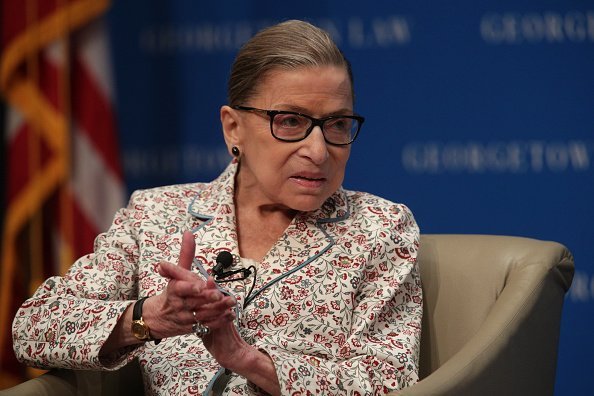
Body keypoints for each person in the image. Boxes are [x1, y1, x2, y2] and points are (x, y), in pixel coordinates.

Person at [12, 19, 422, 395]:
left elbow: (389, 379)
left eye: (336, 124)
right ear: (233, 127)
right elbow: (33, 329)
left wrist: (249, 361)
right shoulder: (156, 214)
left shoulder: (380, 227)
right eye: (291, 122)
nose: (318, 151)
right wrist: (148, 318)